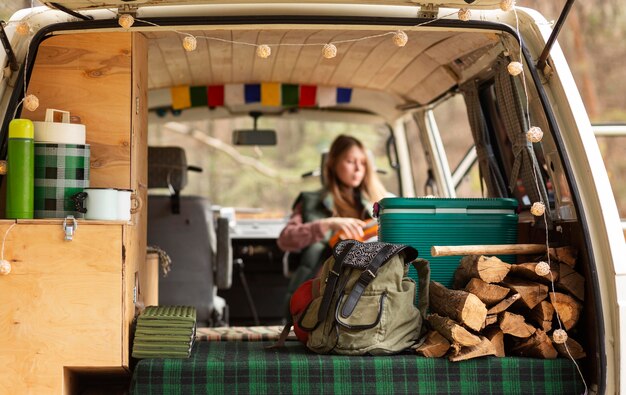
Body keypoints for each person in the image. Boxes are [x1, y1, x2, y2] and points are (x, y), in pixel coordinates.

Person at [277, 134, 388, 319]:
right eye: (351, 161)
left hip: (373, 281)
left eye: (363, 162)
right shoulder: (311, 202)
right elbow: (285, 239)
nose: (359, 168)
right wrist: (327, 225)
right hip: (326, 286)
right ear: (333, 164)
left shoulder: (378, 202)